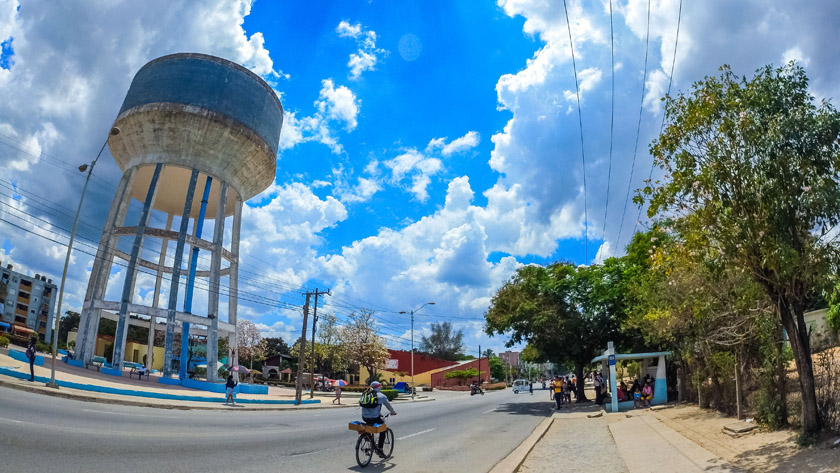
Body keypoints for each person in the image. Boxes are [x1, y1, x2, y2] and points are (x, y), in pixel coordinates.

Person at [362, 381, 398, 458]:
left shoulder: (366, 393)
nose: (381, 387)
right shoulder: (381, 396)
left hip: (364, 416)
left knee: (369, 424)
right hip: (375, 417)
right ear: (378, 387)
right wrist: (393, 412)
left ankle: (367, 436)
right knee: (383, 429)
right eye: (380, 386)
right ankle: (380, 450)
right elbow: (388, 406)